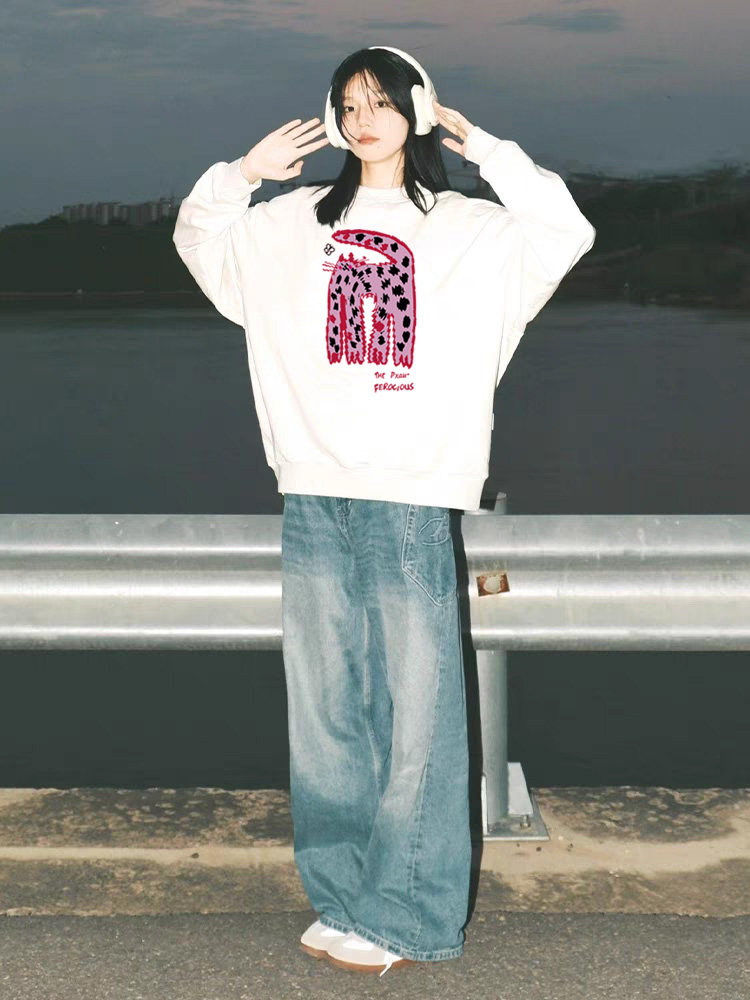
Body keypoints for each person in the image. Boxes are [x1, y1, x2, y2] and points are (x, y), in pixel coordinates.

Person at [172, 45, 596, 976]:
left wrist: (487, 149)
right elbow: (199, 240)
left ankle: (409, 913)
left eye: (384, 102)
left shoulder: (466, 227)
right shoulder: (289, 223)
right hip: (313, 487)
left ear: (417, 110)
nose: (365, 120)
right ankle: (344, 892)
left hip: (409, 494)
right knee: (325, 711)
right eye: (350, 104)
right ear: (332, 118)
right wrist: (241, 174)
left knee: (417, 715)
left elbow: (564, 229)